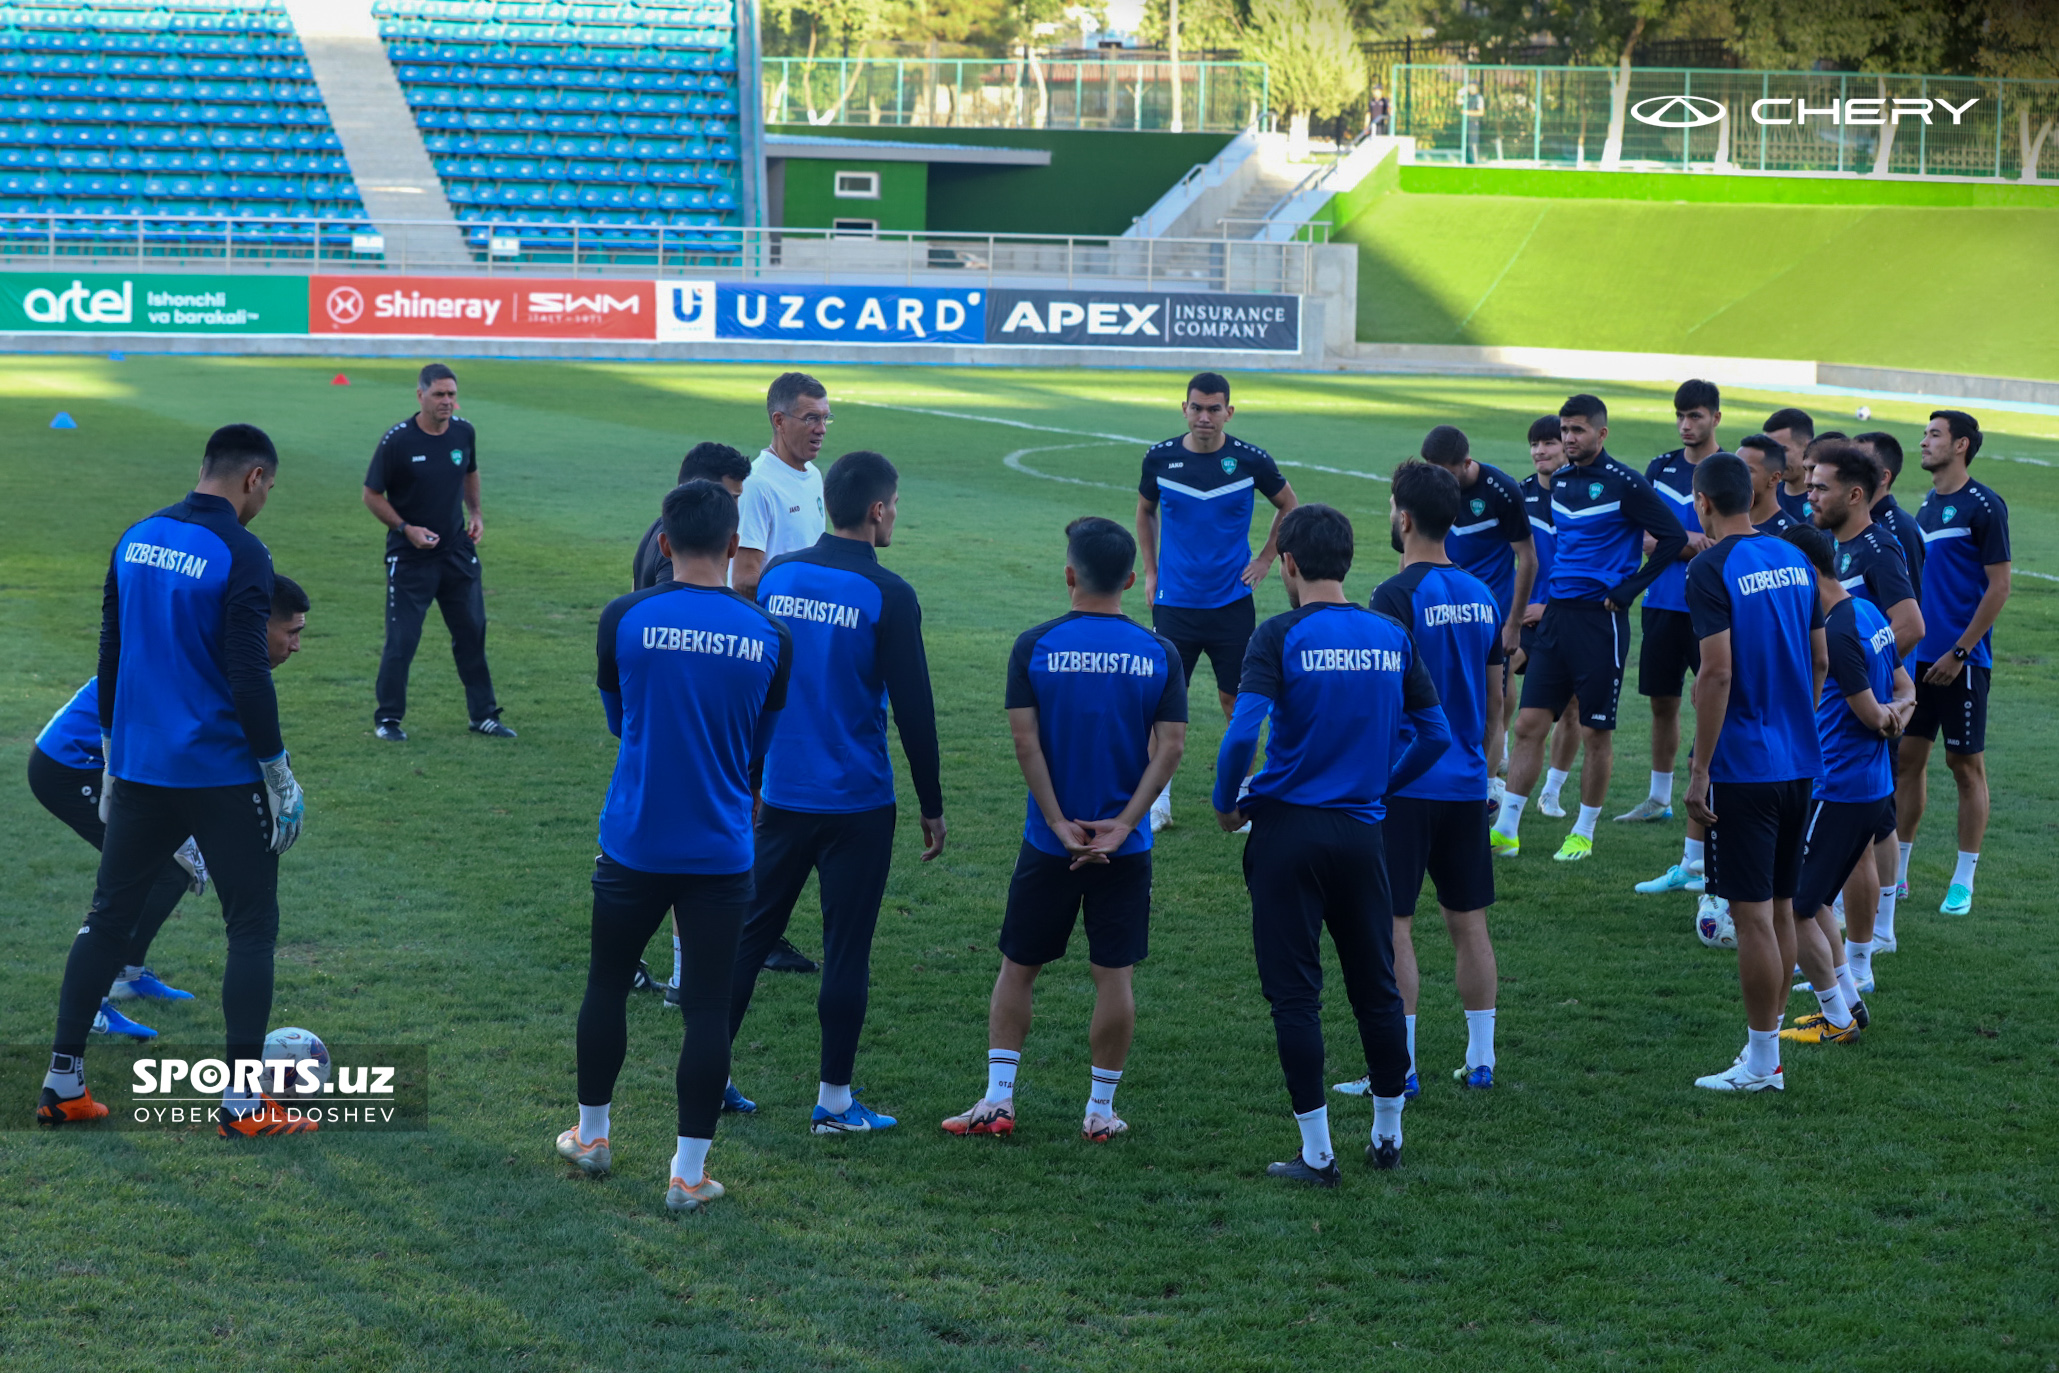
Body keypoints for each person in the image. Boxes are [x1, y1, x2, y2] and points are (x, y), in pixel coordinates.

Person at [38, 425, 309, 1133]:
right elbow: (248, 669)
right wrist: (277, 770)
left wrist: (110, 748)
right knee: (251, 927)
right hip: (218, 771)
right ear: (253, 478)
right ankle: (242, 1104)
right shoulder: (242, 550)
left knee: (106, 918)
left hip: (139, 768)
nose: (265, 501)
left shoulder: (136, 537)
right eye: (270, 488)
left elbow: (111, 648)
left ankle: (63, 1083)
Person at [558, 480, 792, 1212]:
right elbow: (758, 746)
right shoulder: (769, 636)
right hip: (720, 849)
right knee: (708, 1007)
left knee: (606, 984)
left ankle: (593, 1137)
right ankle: (688, 1175)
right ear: (734, 544)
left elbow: (618, 719)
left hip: (633, 839)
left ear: (662, 542)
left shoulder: (624, 616)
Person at [1215, 504, 1451, 1185]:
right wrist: (1380, 782)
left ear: (1286, 562)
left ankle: (1317, 1153)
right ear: (1346, 560)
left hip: (1288, 833)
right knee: (1376, 987)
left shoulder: (1278, 634)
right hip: (1361, 834)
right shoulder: (1390, 633)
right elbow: (1435, 735)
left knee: (1296, 995)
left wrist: (1226, 802)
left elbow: (1242, 732)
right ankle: (1387, 1135)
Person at [942, 517, 1186, 1143]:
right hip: (1124, 848)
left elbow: (1026, 743)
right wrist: (1124, 826)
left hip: (1048, 842)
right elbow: (1171, 747)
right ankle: (1100, 1111)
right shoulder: (1160, 652)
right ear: (1129, 580)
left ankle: (998, 1100)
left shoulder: (1035, 645)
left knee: (1018, 967)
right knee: (1114, 975)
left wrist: (1056, 821)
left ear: (1070, 575)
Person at [726, 450, 947, 1134]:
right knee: (846, 950)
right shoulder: (889, 593)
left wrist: (750, 776)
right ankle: (834, 1102)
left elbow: (757, 686)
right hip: (857, 802)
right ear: (877, 510)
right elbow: (914, 708)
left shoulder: (778, 576)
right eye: (895, 505)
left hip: (781, 793)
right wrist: (932, 804)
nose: (896, 515)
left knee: (746, 939)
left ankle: (710, 1076)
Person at [28, 575, 311, 1041]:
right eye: (292, 632)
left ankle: (127, 974)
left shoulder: (220, 650)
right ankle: (93, 1006)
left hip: (126, 765)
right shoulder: (210, 658)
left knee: (172, 869)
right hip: (71, 765)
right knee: (158, 874)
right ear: (259, 624)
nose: (297, 645)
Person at [630, 440, 816, 979]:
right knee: (687, 855)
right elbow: (678, 649)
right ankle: (685, 975)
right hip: (690, 734)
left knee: (653, 853)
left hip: (662, 733)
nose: (736, 509)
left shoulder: (658, 536)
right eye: (733, 498)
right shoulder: (679, 568)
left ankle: (639, 959)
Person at [1682, 454, 1826, 1093]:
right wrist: (1798, 717)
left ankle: (1764, 1063)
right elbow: (1820, 660)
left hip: (1744, 767)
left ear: (1703, 502)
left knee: (1751, 918)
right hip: (1798, 760)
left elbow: (1716, 672)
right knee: (1782, 908)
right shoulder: (1795, 557)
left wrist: (1700, 769)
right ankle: (1765, 1050)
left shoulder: (1710, 567)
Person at [1493, 394, 1686, 863]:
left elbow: (1674, 537)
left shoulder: (1626, 482)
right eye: (1565, 430)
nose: (1569, 438)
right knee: (1528, 725)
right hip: (1558, 617)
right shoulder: (1560, 481)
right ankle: (1507, 829)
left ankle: (1582, 832)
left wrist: (1630, 587)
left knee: (1595, 731)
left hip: (1601, 623)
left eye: (1577, 430)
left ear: (1601, 433)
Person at [1362, 463, 1503, 1095]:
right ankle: (1481, 1060)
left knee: (1396, 925)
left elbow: (1382, 701)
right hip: (1467, 783)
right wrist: (1487, 775)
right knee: (1469, 923)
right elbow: (1497, 703)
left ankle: (1402, 1069)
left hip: (1405, 782)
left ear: (1405, 517)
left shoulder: (1394, 596)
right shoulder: (1482, 593)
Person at [1136, 371, 1297, 831]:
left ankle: (1243, 798)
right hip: (1175, 605)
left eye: (1213, 408)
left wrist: (1266, 558)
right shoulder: (1160, 458)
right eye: (1196, 407)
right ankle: (1158, 802)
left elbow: (1290, 505)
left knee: (1237, 703)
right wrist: (1151, 571)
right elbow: (1145, 510)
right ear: (1183, 409)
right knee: (1164, 706)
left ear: (1229, 411)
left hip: (1231, 605)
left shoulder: (1250, 460)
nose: (1204, 416)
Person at [1776, 525, 1912, 1048]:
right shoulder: (1870, 612)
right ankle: (1849, 1003)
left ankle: (1837, 1019)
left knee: (1793, 906)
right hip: (1871, 787)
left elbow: (1872, 715)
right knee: (1816, 902)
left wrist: (1888, 719)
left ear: (1809, 572)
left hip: (1837, 787)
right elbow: (1905, 688)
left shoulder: (1836, 632)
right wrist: (1898, 714)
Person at [1900, 410, 2011, 917]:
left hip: (1963, 662)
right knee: (1907, 761)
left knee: (1964, 766)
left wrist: (1960, 652)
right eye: (1925, 434)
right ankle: (1898, 871)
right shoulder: (1926, 506)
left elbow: (1999, 587)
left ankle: (1963, 880)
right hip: (1919, 660)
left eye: (1934, 435)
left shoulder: (1984, 505)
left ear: (1961, 445)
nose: (1924, 442)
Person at [364, 364, 513, 742]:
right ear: (421, 395)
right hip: (410, 558)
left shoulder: (463, 432)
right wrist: (406, 529)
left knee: (472, 634)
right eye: (439, 394)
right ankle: (388, 719)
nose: (447, 401)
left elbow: (470, 471)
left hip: (457, 552)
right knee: (402, 640)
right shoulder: (398, 440)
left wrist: (475, 513)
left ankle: (483, 715)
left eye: (451, 394)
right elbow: (371, 495)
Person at [1621, 380, 1723, 826]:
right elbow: (1642, 538)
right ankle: (1658, 798)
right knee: (1662, 702)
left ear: (1715, 417)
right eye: (1680, 416)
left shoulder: (1729, 470)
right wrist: (1689, 542)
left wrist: (1672, 542)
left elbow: (1726, 542)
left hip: (1712, 609)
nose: (1685, 425)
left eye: (1695, 416)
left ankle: (1712, 788)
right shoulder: (1660, 467)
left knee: (1715, 700)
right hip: (1661, 602)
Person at [1417, 424, 1532, 796]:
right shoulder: (1428, 487)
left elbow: (1527, 558)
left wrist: (1514, 623)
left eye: (1446, 472)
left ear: (1466, 463)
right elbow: (1409, 548)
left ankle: (1487, 785)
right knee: (1440, 692)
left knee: (1490, 701)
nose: (1438, 480)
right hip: (1440, 610)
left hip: (1487, 616)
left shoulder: (1502, 491)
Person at [1515, 416, 1582, 818]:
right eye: (1534, 444)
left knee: (1571, 708)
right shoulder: (1517, 495)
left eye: (1549, 443)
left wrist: (1552, 607)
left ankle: (1552, 791)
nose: (1540, 451)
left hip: (1567, 617)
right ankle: (1495, 768)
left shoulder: (1583, 496)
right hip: (1523, 616)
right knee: (1495, 682)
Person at [1806, 439, 1924, 657]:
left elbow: (1910, 627)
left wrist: (1860, 670)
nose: (1811, 497)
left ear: (1854, 495)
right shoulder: (1839, 543)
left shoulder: (1877, 549)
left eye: (1822, 489)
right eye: (1811, 487)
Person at [731, 372, 830, 601]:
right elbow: (743, 580)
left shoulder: (814, 475)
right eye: (811, 418)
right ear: (779, 421)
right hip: (772, 620)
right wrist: (803, 594)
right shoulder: (757, 484)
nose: (821, 429)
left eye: (825, 418)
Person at [632, 442, 752, 591]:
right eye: (730, 498)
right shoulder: (683, 547)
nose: (734, 508)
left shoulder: (659, 528)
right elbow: (677, 601)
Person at [1854, 430, 1925, 597]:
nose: (1848, 469)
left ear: (1883, 477)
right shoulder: (1850, 519)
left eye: (1859, 462)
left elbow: (1910, 599)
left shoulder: (1900, 528)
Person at [1737, 434, 1803, 536]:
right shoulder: (1725, 524)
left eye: (1747, 470)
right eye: (1735, 469)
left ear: (1773, 478)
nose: (1736, 476)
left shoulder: (1788, 535)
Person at [1763, 407, 1815, 523]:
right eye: (1769, 451)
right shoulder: (1765, 498)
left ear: (1808, 448)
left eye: (1782, 450)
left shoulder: (1824, 504)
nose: (1773, 459)